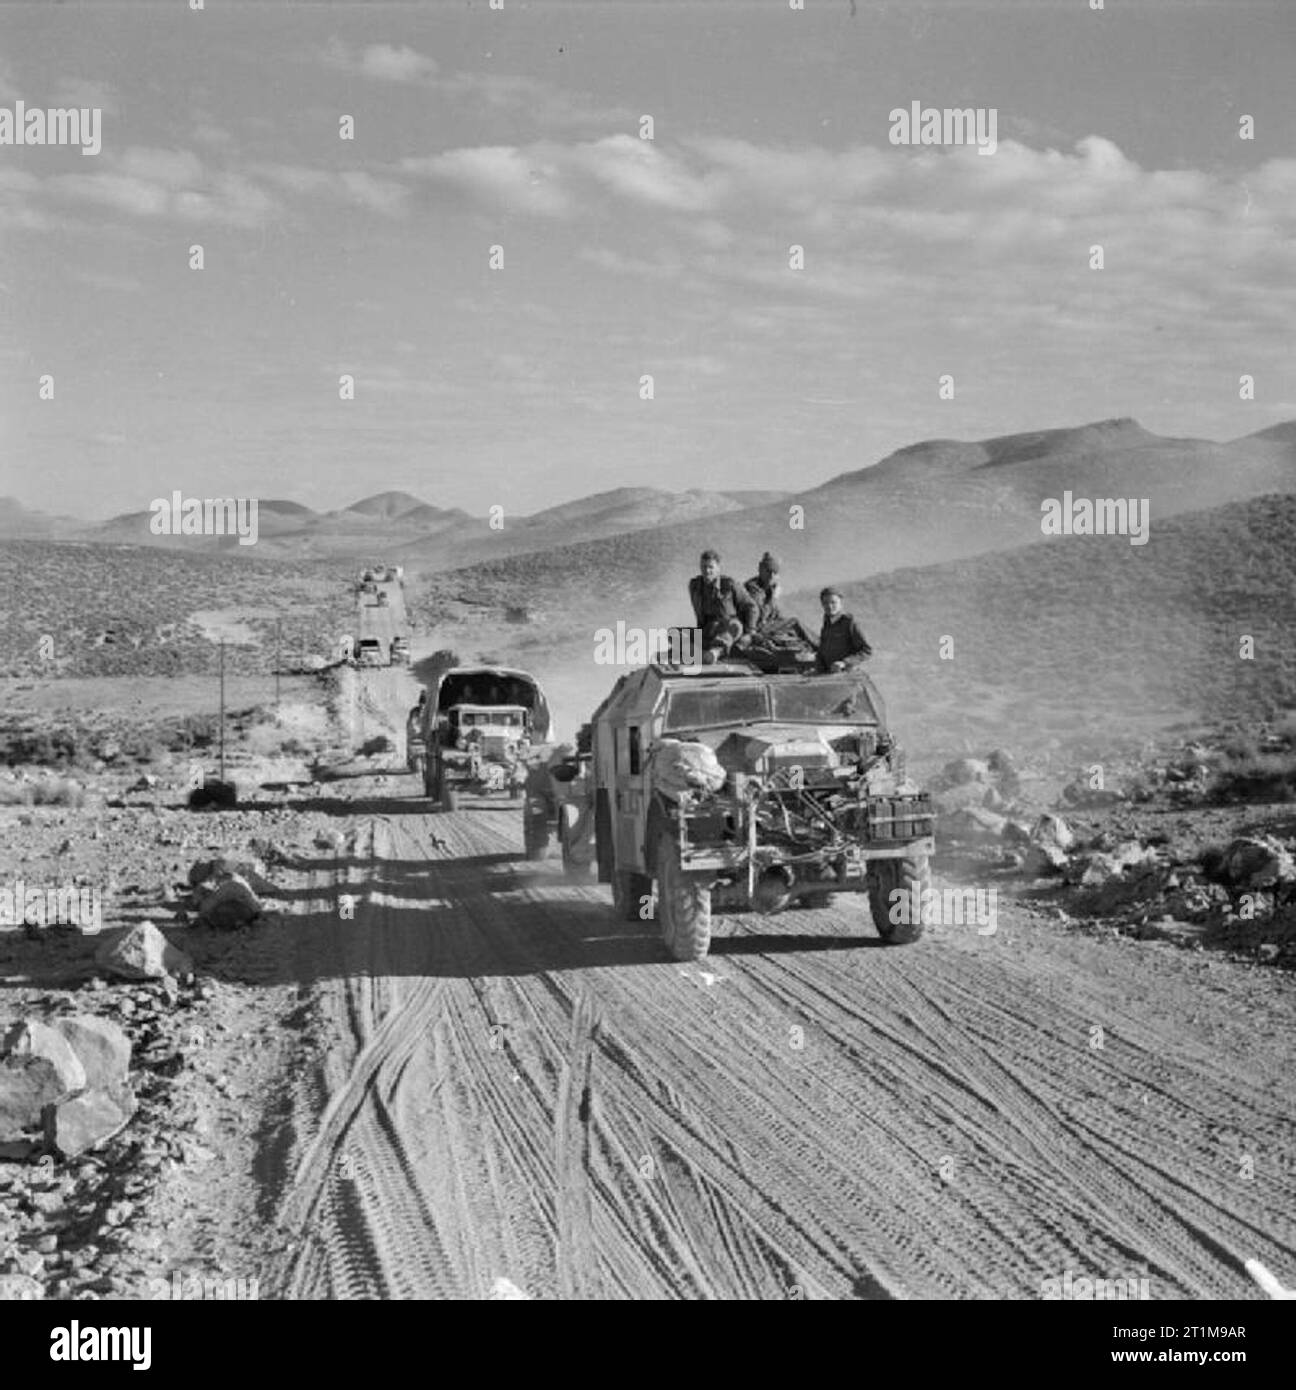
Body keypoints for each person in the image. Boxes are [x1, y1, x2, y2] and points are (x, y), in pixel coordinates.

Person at [688, 549, 757, 663]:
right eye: (704, 567)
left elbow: (751, 606)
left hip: (727, 627)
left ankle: (715, 652)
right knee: (674, 634)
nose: (707, 571)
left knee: (734, 626)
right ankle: (698, 652)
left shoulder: (729, 585)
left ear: (718, 568)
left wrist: (750, 632)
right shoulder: (695, 586)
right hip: (708, 628)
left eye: (711, 567)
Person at [744, 552, 815, 643]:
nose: (771, 576)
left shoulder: (769, 588)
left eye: (775, 573)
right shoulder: (753, 588)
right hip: (755, 629)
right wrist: (774, 598)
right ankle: (821, 646)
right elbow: (760, 616)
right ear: (760, 570)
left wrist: (784, 623)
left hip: (765, 626)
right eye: (768, 571)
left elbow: (776, 614)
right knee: (795, 622)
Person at [816, 587, 872, 673]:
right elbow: (822, 652)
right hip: (828, 676)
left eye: (833, 602)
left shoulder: (849, 623)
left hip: (847, 675)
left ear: (840, 603)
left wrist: (844, 663)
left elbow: (866, 651)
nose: (830, 606)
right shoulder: (826, 625)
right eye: (825, 603)